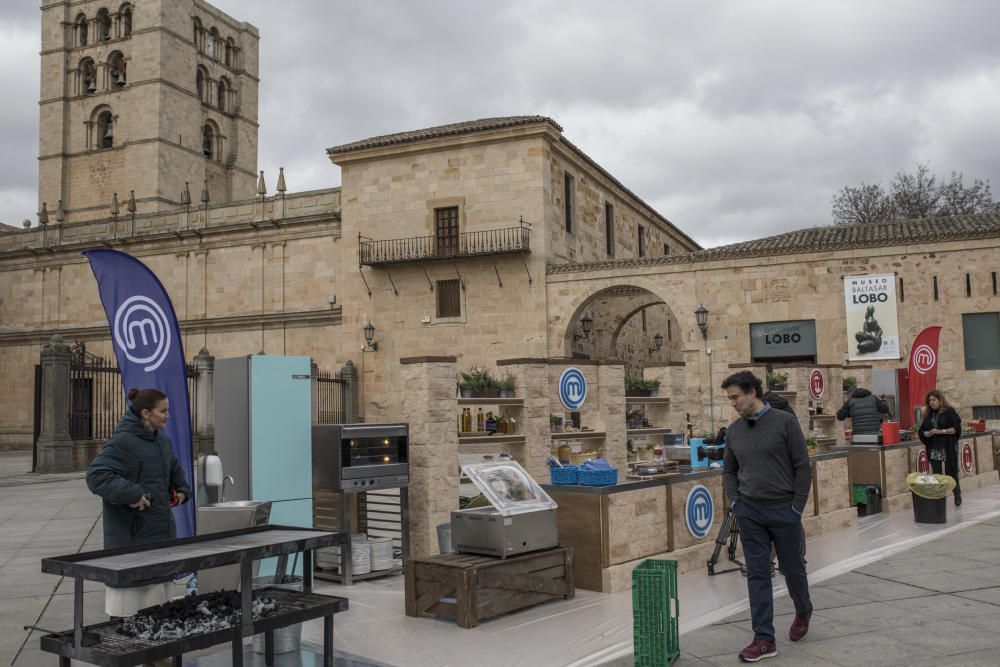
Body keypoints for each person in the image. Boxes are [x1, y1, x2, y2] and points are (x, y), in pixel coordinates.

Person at [721, 371, 813, 662]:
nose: (733, 403)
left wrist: (796, 507)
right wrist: (736, 502)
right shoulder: (734, 431)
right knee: (757, 574)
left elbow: (803, 466)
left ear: (752, 392)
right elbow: (729, 470)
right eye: (730, 398)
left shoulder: (785, 423)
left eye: (735, 396)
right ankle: (764, 638)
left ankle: (803, 609)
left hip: (784, 511)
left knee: (792, 568)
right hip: (751, 513)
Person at [86, 388, 192, 617]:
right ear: (145, 413)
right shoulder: (123, 442)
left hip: (161, 538)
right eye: (163, 411)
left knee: (160, 609)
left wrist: (182, 490)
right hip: (132, 540)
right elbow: (97, 477)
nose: (168, 416)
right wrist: (133, 494)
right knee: (131, 613)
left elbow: (173, 468)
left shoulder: (160, 440)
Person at [918, 389, 963, 506]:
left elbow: (956, 429)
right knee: (937, 474)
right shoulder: (928, 414)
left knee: (951, 472)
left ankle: (957, 493)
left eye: (934, 400)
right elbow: (922, 430)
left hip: (947, 445)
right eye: (930, 401)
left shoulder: (949, 412)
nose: (932, 402)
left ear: (940, 399)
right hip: (934, 447)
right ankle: (939, 499)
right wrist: (925, 433)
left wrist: (940, 431)